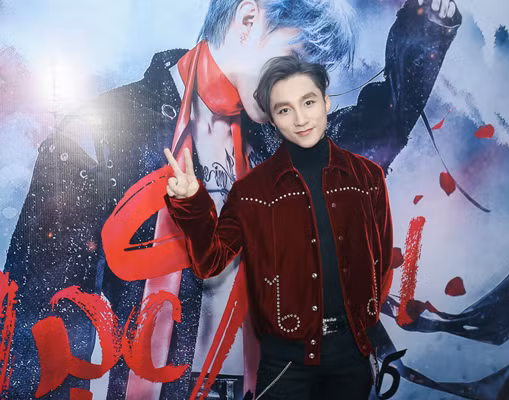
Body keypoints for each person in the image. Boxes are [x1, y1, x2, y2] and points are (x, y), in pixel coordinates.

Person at [4, 0, 461, 397]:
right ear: (247, 21)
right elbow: (38, 327)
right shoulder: (103, 133)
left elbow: (374, 135)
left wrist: (426, 30)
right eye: (294, 58)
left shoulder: (279, 146)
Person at [164, 54, 393, 400]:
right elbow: (210, 260)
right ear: (272, 120)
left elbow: (381, 261)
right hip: (286, 363)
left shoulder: (367, 178)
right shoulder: (251, 191)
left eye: (309, 102)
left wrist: (365, 325)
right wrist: (192, 202)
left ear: (326, 102)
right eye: (284, 110)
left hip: (353, 355)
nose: (301, 119)